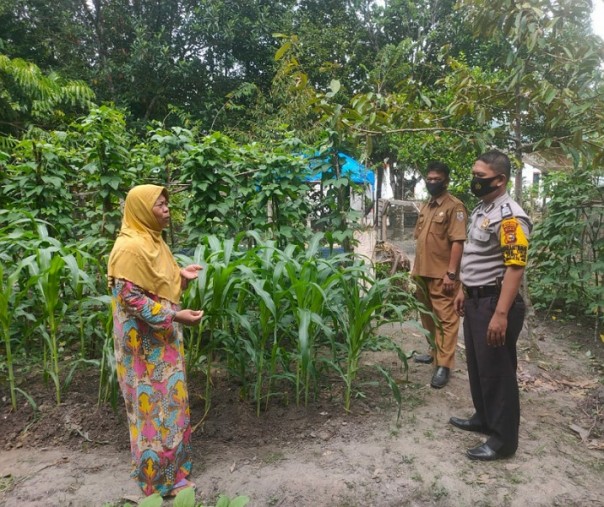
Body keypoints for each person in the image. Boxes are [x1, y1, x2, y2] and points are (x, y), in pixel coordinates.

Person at [107, 184, 204, 496]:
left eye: (166, 204)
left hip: (164, 341)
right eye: (160, 205)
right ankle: (157, 481)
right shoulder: (128, 248)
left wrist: (180, 277)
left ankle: (176, 474)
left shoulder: (154, 243)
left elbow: (159, 284)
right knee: (151, 410)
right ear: (141, 210)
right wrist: (175, 316)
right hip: (142, 347)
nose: (167, 210)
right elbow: (129, 298)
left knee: (172, 404)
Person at [450, 150, 531, 461]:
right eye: (474, 175)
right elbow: (475, 256)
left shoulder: (510, 217)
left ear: (500, 180)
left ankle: (503, 440)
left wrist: (500, 314)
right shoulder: (483, 209)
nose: (475, 181)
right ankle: (483, 418)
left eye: (481, 178)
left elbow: (515, 267)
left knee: (497, 372)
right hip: (475, 299)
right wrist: (462, 289)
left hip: (496, 304)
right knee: (479, 367)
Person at [412, 161, 467, 388]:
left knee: (446, 319)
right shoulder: (427, 206)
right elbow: (419, 238)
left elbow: (458, 242)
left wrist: (451, 274)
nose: (432, 182)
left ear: (446, 180)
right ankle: (434, 352)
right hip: (422, 272)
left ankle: (444, 365)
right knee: (426, 315)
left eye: (437, 179)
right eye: (430, 178)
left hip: (442, 275)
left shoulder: (455, 207)